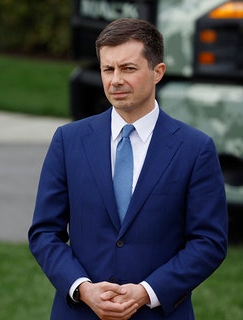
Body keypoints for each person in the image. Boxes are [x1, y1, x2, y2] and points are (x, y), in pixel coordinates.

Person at [28, 18, 227, 319]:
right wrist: (82, 288)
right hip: (80, 312)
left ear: (158, 72)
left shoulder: (195, 149)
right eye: (108, 69)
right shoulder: (69, 141)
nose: (115, 80)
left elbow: (209, 242)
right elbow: (44, 232)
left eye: (128, 68)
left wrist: (148, 292)